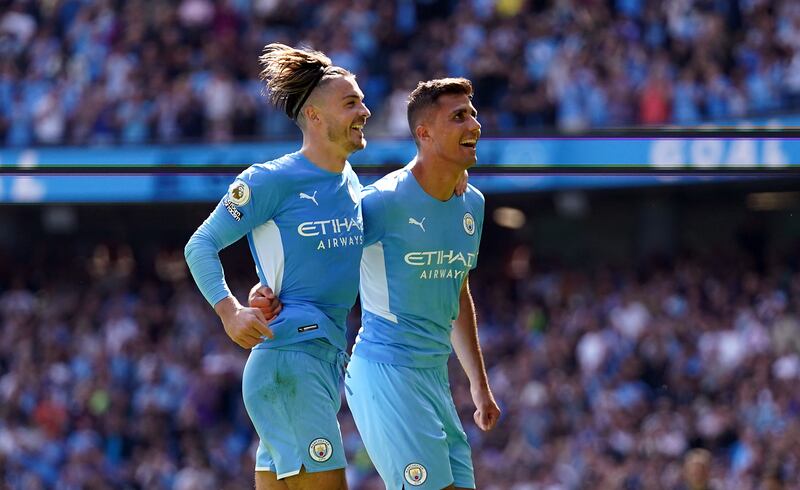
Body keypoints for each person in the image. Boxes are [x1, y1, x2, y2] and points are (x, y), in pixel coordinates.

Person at [184, 42, 370, 489]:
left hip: (315, 360)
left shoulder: (349, 180)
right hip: (291, 360)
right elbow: (201, 244)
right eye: (351, 103)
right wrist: (230, 310)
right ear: (315, 117)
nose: (365, 110)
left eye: (362, 99)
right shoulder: (270, 180)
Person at [344, 77, 501, 489]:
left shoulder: (474, 203)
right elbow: (323, 251)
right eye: (458, 116)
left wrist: (479, 386)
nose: (474, 125)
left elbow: (457, 292)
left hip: (434, 378)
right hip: (386, 373)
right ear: (424, 133)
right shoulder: (382, 202)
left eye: (473, 114)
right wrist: (266, 288)